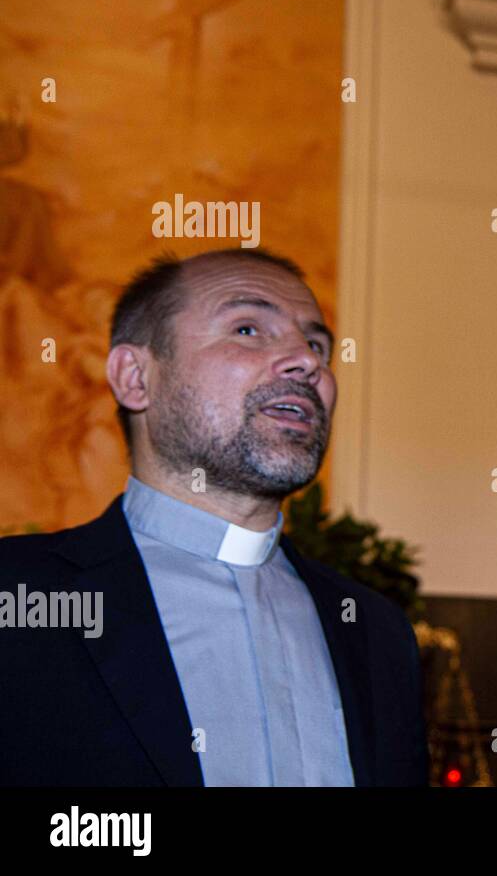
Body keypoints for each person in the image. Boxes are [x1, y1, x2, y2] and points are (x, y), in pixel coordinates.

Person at [0, 249, 427, 786]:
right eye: (248, 329)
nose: (307, 361)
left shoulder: (376, 632)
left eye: (317, 344)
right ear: (135, 378)